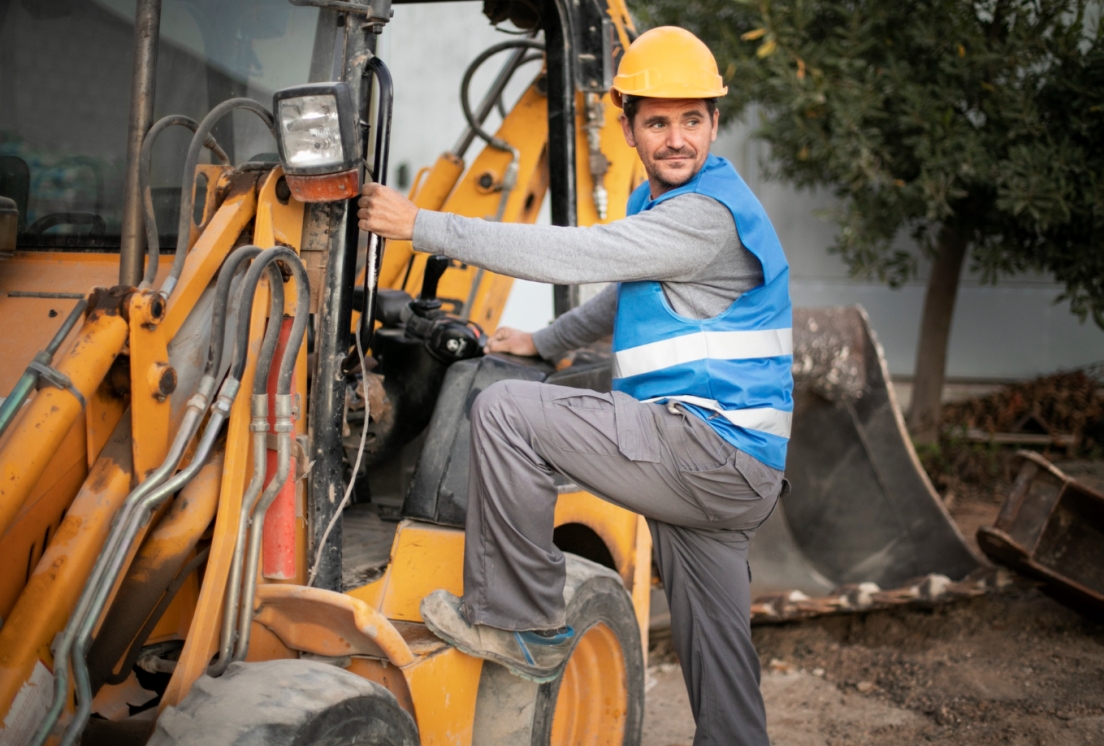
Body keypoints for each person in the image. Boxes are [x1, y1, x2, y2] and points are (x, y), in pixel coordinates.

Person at [358, 26, 791, 746]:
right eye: (658, 122)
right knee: (721, 672)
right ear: (627, 127)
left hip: (707, 450)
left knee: (506, 412)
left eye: (692, 120)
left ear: (715, 122)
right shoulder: (685, 208)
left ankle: (523, 624)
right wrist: (542, 341)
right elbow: (625, 293)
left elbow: (574, 252)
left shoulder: (703, 217)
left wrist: (422, 225)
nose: (676, 138)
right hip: (740, 471)